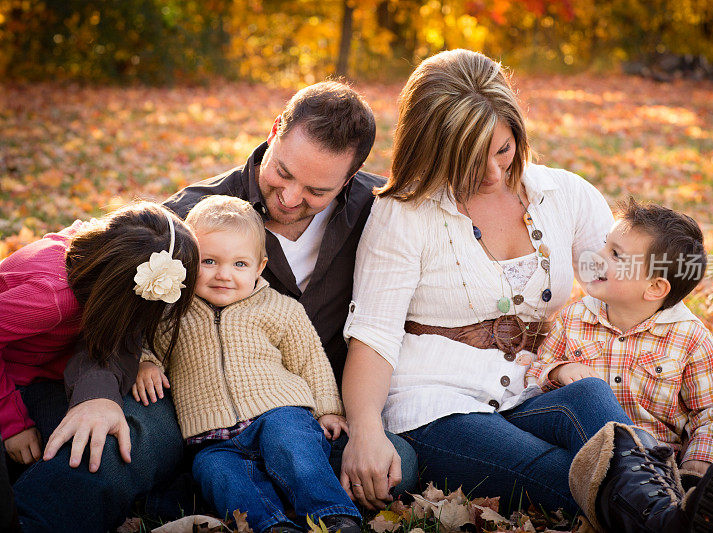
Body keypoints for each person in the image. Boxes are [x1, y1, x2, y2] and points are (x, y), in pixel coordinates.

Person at [339, 48, 713, 532]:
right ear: (432, 150)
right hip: (439, 402)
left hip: (531, 387)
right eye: (468, 162)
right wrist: (367, 430)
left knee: (590, 398)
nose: (494, 175)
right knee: (565, 473)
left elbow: (629, 280)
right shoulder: (403, 215)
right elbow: (374, 336)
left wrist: (687, 348)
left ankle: (709, 513)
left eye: (502, 150)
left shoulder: (564, 195)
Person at [33, 80, 417, 527]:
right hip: (190, 409)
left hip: (299, 417)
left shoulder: (378, 212)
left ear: (349, 178)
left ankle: (216, 494)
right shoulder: (191, 218)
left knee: (397, 463)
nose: (290, 198)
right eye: (284, 173)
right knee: (120, 434)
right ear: (275, 130)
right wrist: (96, 396)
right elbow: (116, 316)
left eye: (316, 190)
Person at [134, 195, 361, 533]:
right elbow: (144, 342)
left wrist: (328, 408)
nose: (224, 275)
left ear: (259, 267)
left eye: (239, 264)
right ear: (188, 261)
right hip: (211, 436)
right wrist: (146, 364)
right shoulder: (172, 312)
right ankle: (270, 526)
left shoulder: (280, 309)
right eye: (209, 261)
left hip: (278, 412)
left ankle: (332, 514)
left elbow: (311, 360)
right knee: (218, 475)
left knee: (294, 447)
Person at [1, 202, 198, 532]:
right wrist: (12, 423)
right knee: (92, 451)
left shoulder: (96, 252)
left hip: (45, 375)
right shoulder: (52, 298)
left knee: (106, 441)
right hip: (14, 385)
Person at [527, 198, 713, 473]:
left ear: (654, 288)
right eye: (606, 244)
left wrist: (698, 458)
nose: (599, 255)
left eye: (616, 254)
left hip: (662, 461)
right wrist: (559, 370)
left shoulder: (689, 337)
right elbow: (534, 375)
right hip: (588, 455)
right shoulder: (575, 318)